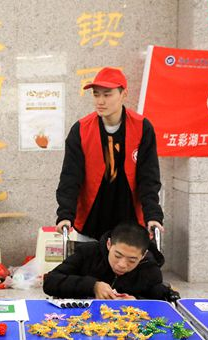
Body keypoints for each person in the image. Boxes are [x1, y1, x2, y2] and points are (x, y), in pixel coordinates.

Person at [55, 67, 164, 241]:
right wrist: (65, 214)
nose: (100, 101)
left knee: (127, 258)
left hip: (130, 222)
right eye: (96, 94)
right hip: (92, 220)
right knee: (89, 258)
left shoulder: (142, 127)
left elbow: (148, 178)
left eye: (107, 95)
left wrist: (153, 215)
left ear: (124, 94)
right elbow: (70, 177)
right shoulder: (81, 130)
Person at [43, 222, 167, 300]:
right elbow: (50, 282)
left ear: (143, 255)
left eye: (132, 260)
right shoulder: (88, 253)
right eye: (117, 256)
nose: (122, 265)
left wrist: (137, 301)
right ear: (109, 244)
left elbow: (159, 298)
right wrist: (92, 286)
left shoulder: (150, 268)